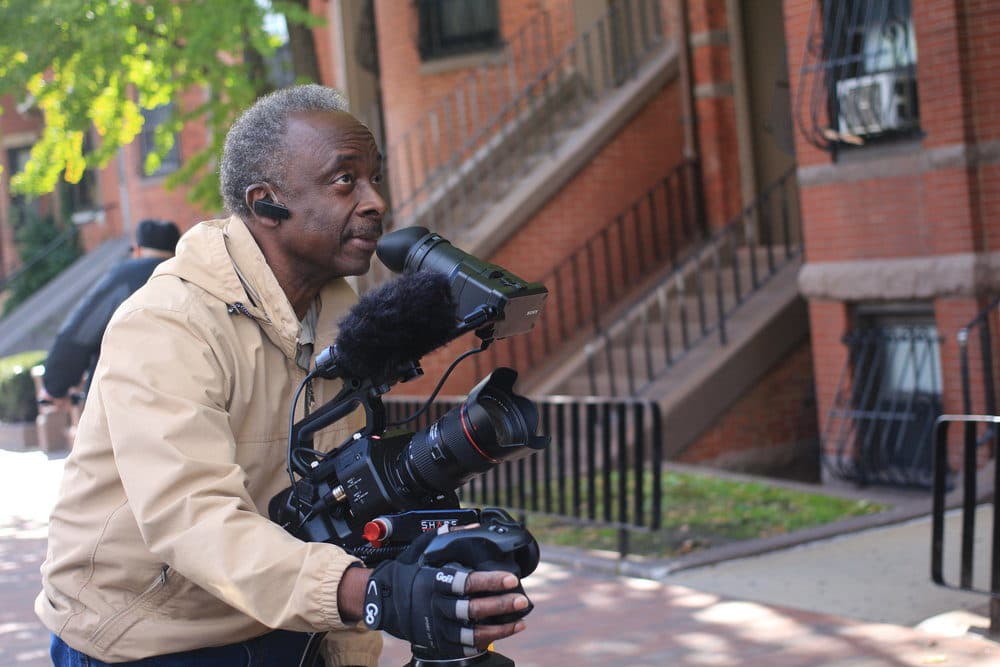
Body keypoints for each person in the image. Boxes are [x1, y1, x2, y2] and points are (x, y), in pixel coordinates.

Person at [36, 84, 531, 667]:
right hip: (147, 637)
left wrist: (369, 619)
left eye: (374, 178)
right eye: (345, 180)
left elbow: (340, 511)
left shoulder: (344, 316)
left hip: (288, 623)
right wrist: (366, 594)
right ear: (267, 201)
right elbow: (191, 518)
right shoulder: (167, 323)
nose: (375, 201)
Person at [38, 218, 181, 410]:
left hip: (125, 400)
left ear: (137, 250)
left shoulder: (125, 277)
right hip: (185, 396)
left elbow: (82, 332)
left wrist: (55, 386)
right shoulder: (189, 275)